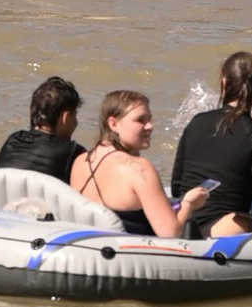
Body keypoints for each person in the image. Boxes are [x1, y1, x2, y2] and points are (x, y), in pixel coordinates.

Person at [69, 87, 213, 239]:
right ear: (113, 124)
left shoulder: (81, 161)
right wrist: (189, 203)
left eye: (149, 119)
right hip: (132, 256)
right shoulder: (139, 168)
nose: (149, 126)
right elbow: (170, 233)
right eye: (140, 120)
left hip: (93, 249)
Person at [170, 51, 252, 228]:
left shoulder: (196, 122)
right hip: (225, 228)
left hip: (185, 221)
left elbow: (176, 187)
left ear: (224, 82)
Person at [0, 76, 82, 182]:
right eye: (75, 116)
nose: (76, 123)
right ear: (65, 117)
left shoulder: (13, 141)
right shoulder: (73, 153)